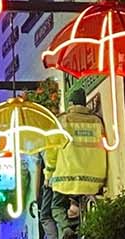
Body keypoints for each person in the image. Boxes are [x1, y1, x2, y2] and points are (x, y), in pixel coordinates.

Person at [43, 89, 107, 239]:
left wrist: (48, 176)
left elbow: (51, 153)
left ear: (70, 103)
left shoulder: (61, 121)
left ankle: (66, 229)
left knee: (56, 206)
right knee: (85, 205)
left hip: (67, 179)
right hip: (94, 180)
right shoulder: (97, 121)